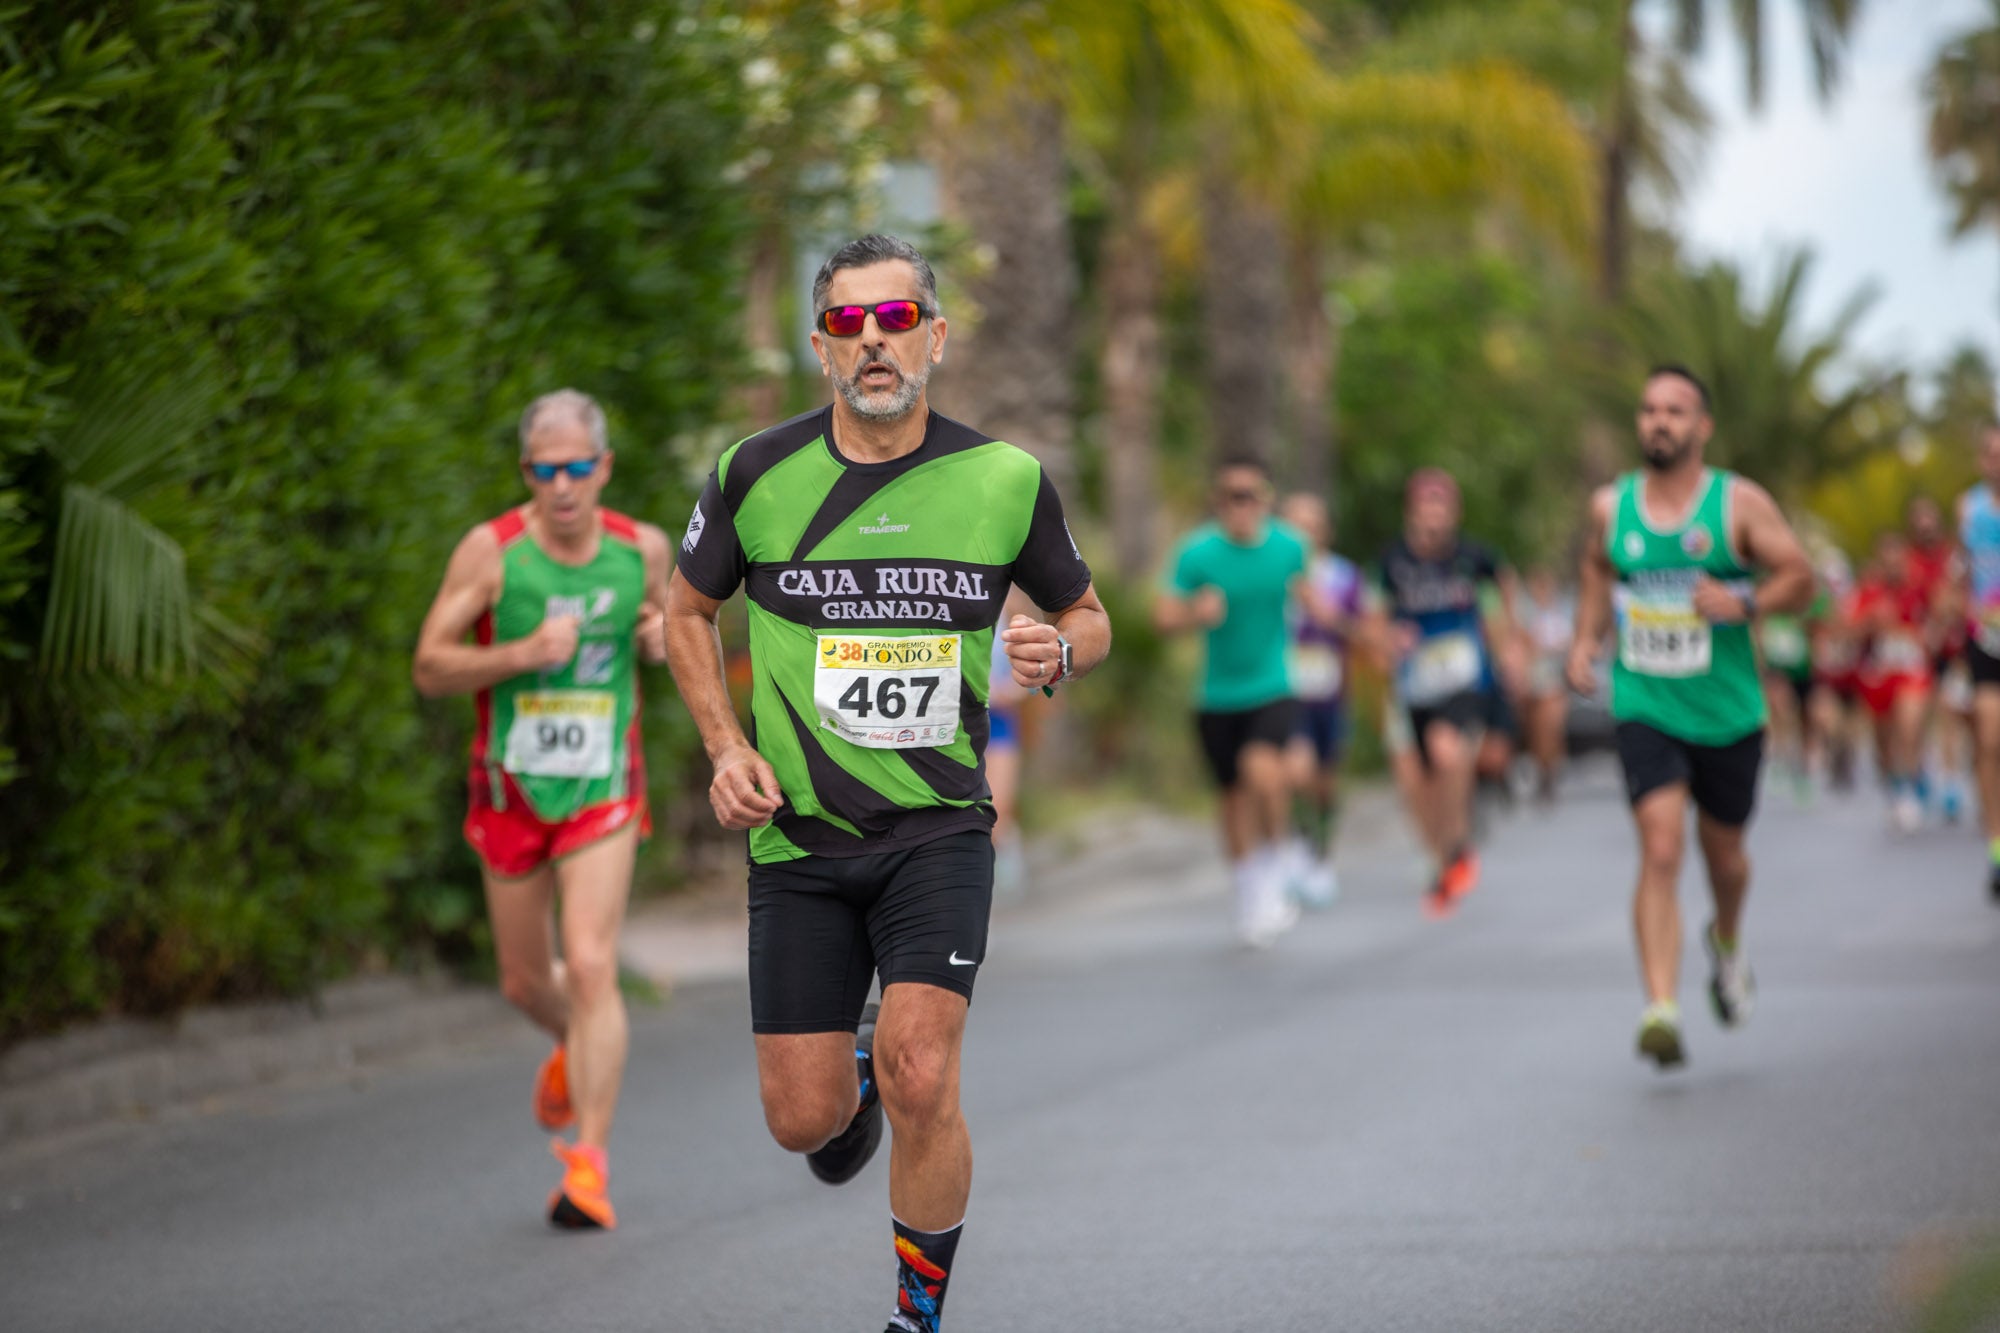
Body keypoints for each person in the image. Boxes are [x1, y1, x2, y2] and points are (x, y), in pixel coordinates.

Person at [663, 235, 1109, 1333]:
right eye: (849, 323)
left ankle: (916, 1317)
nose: (873, 340)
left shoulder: (1004, 480)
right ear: (821, 347)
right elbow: (682, 612)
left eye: (896, 320)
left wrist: (1060, 649)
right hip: (798, 839)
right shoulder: (752, 474)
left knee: (925, 1068)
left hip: (936, 831)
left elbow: (1085, 615)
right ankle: (847, 1069)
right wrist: (726, 746)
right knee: (799, 1119)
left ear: (935, 338)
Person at [411, 388, 673, 1230]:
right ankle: (577, 1045)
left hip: (603, 781)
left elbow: (677, 631)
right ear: (527, 472)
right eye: (543, 470)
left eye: (577, 468)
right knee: (525, 979)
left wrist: (662, 638)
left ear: (604, 468)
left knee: (592, 963)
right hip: (511, 785)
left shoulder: (644, 549)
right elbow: (429, 665)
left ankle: (587, 1163)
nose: (562, 486)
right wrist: (519, 651)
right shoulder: (491, 553)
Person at [1567, 365, 1813, 1071]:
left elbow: (1801, 577)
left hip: (1729, 711)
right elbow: (1595, 569)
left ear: (1702, 426)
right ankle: (1660, 1008)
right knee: (1662, 844)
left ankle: (1727, 943)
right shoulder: (1611, 509)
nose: (1658, 422)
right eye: (1648, 410)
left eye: (1674, 411)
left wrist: (1747, 603)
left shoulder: (1737, 503)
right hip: (1647, 700)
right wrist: (1586, 639)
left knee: (1725, 858)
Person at [1156, 461, 1311, 946]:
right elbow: (1163, 617)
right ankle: (1249, 889)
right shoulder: (1197, 552)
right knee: (1230, 799)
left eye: (1250, 495)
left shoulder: (1289, 547)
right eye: (1231, 496)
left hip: (1272, 683)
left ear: (1267, 498)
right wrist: (1193, 613)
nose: (1241, 505)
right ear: (1218, 502)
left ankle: (1277, 862)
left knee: (1261, 767)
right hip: (1217, 693)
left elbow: (1316, 599)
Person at [1364, 468, 1520, 918]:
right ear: (1411, 512)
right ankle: (1442, 852)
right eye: (1425, 507)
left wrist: (1508, 645)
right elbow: (1375, 619)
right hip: (1411, 684)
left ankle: (1454, 844)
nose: (1434, 517)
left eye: (1442, 508)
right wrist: (1387, 640)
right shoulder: (1391, 562)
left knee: (1448, 752)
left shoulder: (1474, 558)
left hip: (1464, 680)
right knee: (1414, 780)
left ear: (1454, 513)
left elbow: (1504, 591)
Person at [1277, 492, 1364, 907]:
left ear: (1324, 532)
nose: (1302, 534)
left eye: (1310, 526)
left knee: (1325, 782)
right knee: (1296, 771)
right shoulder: (1272, 570)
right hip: (1282, 688)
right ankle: (1298, 843)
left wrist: (1334, 619)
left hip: (1328, 690)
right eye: (1294, 525)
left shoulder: (1344, 576)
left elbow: (1363, 632)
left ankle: (1321, 850)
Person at [1850, 532, 1935, 832]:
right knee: (1884, 739)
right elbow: (1850, 632)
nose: (1893, 566)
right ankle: (1894, 786)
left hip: (1912, 670)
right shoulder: (1869, 593)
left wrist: (1917, 634)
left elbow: (1937, 622)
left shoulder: (1920, 588)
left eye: (1897, 559)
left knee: (1909, 726)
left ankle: (1911, 786)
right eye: (1887, 561)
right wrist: (1870, 622)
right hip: (1879, 673)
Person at [1955, 423, 2000, 900]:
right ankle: (1996, 845)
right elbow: (1963, 567)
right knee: (1988, 736)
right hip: (1985, 638)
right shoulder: (1970, 509)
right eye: (1991, 453)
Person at [1907, 495, 1971, 822]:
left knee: (1949, 712)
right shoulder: (1909, 563)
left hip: (1952, 650)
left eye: (1930, 519)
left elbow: (1958, 595)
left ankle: (1950, 782)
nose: (1926, 526)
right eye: (1920, 521)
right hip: (1919, 652)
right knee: (1916, 715)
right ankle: (1918, 771)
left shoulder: (1951, 557)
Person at [1519, 567, 1574, 802]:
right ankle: (1542, 771)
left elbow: (1568, 644)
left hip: (1555, 682)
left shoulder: (1562, 615)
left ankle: (1551, 771)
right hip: (1533, 682)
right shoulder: (1526, 615)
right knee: (1536, 731)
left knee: (1552, 727)